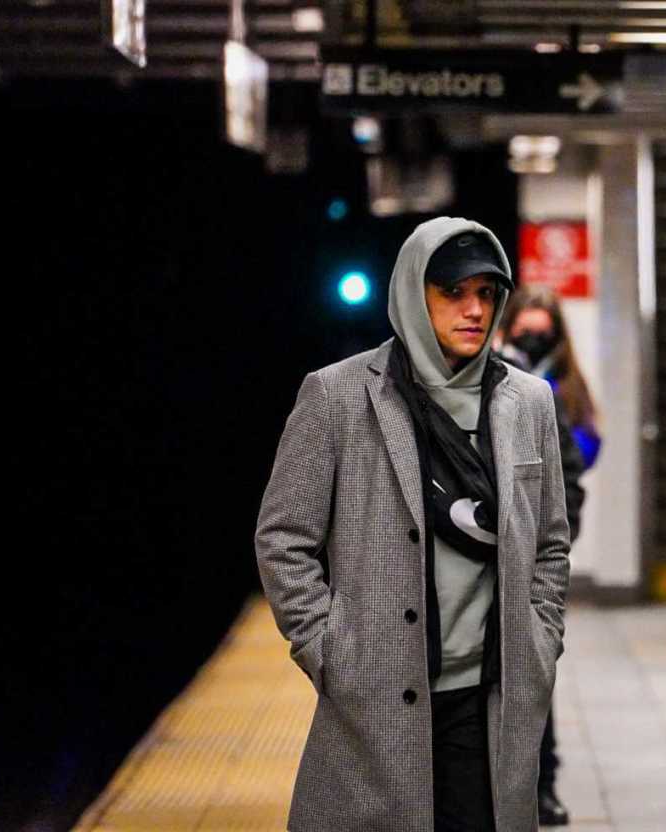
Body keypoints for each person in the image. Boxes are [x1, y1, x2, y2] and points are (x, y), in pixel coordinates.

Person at [255, 218, 571, 832]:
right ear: (411, 293)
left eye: (486, 293)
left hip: (491, 701)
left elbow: (551, 541)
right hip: (373, 700)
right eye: (453, 292)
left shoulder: (528, 402)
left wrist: (540, 637)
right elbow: (283, 539)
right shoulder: (338, 396)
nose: (474, 309)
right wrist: (329, 651)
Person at [497, 285, 600, 826]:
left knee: (537, 671)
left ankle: (542, 784)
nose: (533, 339)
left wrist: (552, 556)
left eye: (543, 330)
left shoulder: (561, 390)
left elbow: (574, 474)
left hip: (535, 560)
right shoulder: (490, 381)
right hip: (491, 556)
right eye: (525, 329)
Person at [499, 285, 601, 471]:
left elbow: (588, 446)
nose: (532, 341)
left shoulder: (565, 380)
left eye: (541, 334)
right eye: (525, 331)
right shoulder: (495, 375)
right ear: (509, 328)